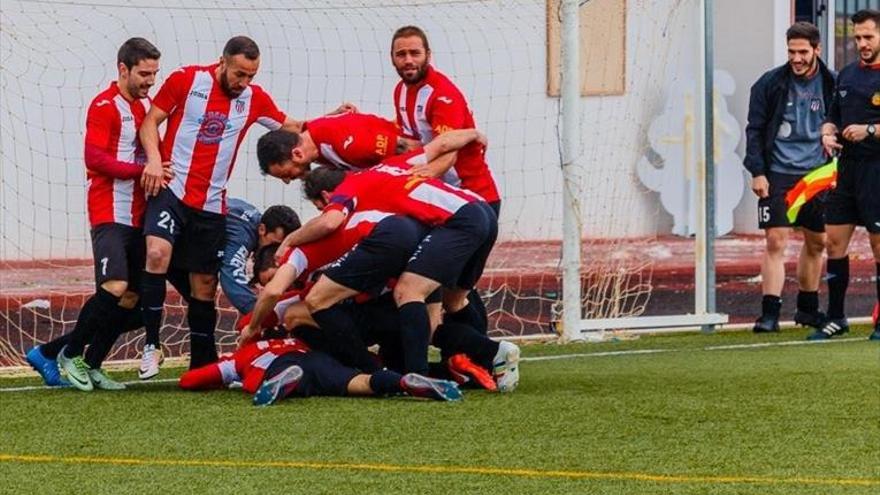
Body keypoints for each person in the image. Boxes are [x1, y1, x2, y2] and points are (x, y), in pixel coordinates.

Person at [136, 36, 307, 374]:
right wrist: (154, 160)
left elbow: (293, 127)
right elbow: (150, 121)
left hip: (213, 203)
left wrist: (333, 121)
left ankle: (202, 362)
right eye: (239, 74)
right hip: (173, 189)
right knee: (156, 253)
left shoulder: (254, 99)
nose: (244, 83)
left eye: (251, 76)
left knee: (204, 285)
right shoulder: (187, 80)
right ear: (223, 62)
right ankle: (152, 346)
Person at [25, 38, 164, 390]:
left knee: (133, 297)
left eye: (154, 73)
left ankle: (82, 360)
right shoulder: (103, 106)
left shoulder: (146, 105)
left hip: (138, 214)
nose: (150, 81)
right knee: (115, 286)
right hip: (108, 211)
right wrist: (143, 170)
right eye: (144, 73)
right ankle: (70, 353)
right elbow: (95, 159)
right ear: (123, 69)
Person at [743, 22, 836, 333]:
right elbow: (754, 130)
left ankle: (807, 310)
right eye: (791, 52)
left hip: (818, 174)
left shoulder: (833, 83)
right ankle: (769, 314)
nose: (796, 58)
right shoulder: (769, 84)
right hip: (779, 172)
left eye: (803, 52)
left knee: (817, 241)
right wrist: (757, 171)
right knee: (775, 240)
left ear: (817, 50)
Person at [143, 200, 301, 379]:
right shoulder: (243, 232)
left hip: (176, 247)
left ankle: (203, 364)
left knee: (202, 300)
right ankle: (156, 348)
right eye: (274, 244)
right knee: (129, 306)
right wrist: (261, 315)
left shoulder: (250, 219)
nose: (276, 251)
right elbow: (231, 276)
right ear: (262, 229)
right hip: (164, 248)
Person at [817, 9, 880, 341]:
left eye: (868, 37)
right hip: (847, 170)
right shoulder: (846, 75)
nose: (862, 43)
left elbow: (867, 127)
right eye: (857, 38)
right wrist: (827, 132)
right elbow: (831, 117)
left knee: (877, 244)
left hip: (876, 170)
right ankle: (836, 317)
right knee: (834, 242)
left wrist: (869, 129)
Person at [179, 336, 462, 406]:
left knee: (275, 376)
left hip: (279, 365)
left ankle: (283, 383)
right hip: (316, 357)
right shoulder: (298, 339)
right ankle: (401, 381)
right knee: (360, 382)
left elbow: (190, 380)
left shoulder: (245, 353)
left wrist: (227, 377)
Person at [257, 112, 419, 182]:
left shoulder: (350, 145)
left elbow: (410, 148)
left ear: (298, 154)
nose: (288, 181)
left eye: (287, 175)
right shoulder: (310, 140)